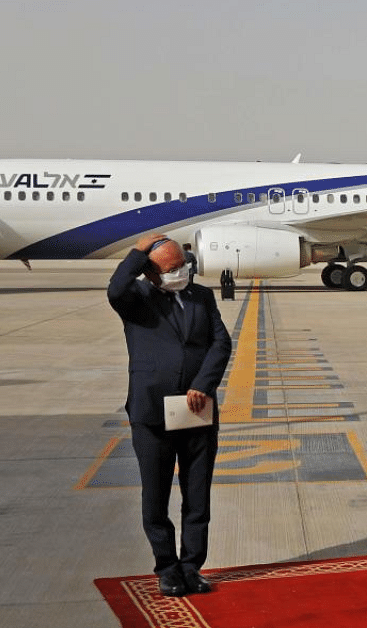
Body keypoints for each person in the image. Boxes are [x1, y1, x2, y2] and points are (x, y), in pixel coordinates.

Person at [108, 233, 232, 598]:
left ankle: (192, 566)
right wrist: (137, 252)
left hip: (196, 410)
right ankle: (167, 567)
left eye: (182, 264)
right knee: (156, 494)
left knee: (197, 494)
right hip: (152, 413)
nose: (181, 272)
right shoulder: (136, 299)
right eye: (171, 268)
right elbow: (115, 289)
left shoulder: (201, 296)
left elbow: (220, 342)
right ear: (150, 273)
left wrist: (203, 384)